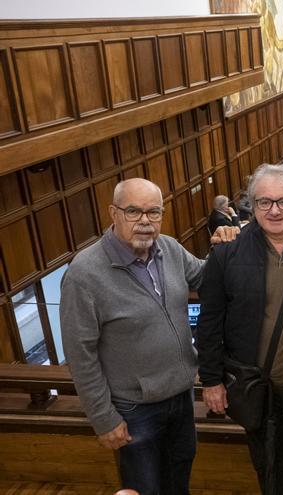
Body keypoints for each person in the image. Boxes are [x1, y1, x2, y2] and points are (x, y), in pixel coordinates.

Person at [60, 178, 204, 494]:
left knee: (179, 480)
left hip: (180, 398)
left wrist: (228, 247)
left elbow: (208, 277)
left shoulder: (169, 248)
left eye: (153, 212)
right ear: (113, 213)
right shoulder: (84, 275)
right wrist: (104, 419)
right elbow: (80, 356)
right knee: (145, 487)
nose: (144, 221)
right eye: (133, 211)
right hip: (135, 410)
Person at [197, 163, 283, 495]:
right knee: (270, 466)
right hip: (256, 385)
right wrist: (212, 380)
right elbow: (210, 320)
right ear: (252, 205)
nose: (274, 210)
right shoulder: (227, 251)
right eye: (264, 202)